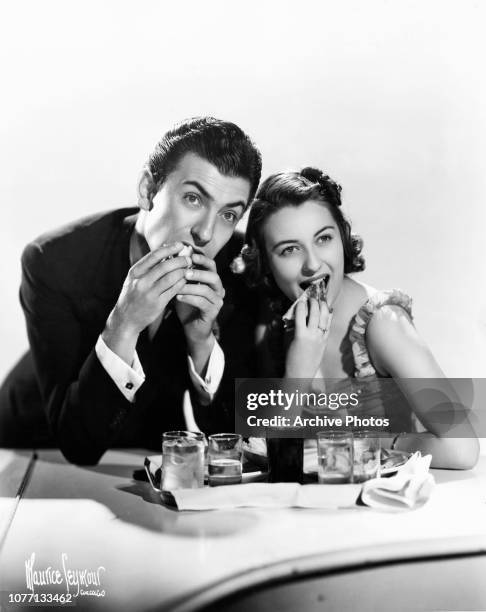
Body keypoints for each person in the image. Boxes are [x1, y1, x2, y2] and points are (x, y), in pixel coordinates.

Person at [0, 117, 262, 464]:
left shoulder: (239, 271)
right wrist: (124, 324)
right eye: (193, 199)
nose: (206, 233)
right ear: (148, 191)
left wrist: (202, 342)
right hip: (33, 446)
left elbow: (237, 446)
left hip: (144, 449)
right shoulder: (55, 259)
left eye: (228, 214)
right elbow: (77, 446)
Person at [235, 167, 479, 469]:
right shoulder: (282, 319)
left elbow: (462, 450)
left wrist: (371, 441)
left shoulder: (382, 323)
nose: (313, 264)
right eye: (290, 250)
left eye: (323, 239)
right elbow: (267, 454)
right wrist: (299, 368)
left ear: (342, 237)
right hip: (313, 505)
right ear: (265, 262)